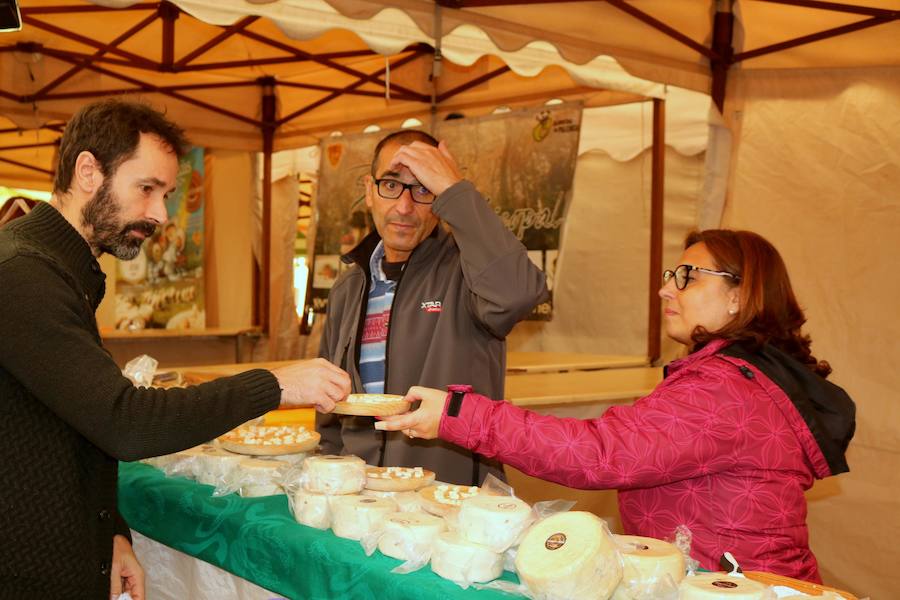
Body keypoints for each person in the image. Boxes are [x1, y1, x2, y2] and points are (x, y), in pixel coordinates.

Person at [0, 100, 350, 599]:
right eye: (146, 189)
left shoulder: (60, 270)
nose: (160, 214)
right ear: (87, 172)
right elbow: (125, 422)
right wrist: (275, 385)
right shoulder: (23, 274)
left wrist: (112, 533)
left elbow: (70, 425)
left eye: (165, 194)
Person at [377, 229, 855, 583]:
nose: (667, 288)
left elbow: (601, 453)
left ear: (739, 296)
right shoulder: (739, 377)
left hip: (736, 589)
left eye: (687, 276)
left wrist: (459, 414)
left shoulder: (725, 390)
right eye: (671, 275)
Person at [317, 130, 548, 486]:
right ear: (368, 190)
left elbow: (519, 293)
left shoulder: (467, 272)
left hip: (447, 501)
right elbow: (331, 411)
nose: (405, 208)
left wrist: (457, 191)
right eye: (391, 185)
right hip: (362, 498)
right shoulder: (349, 287)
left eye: (424, 189)